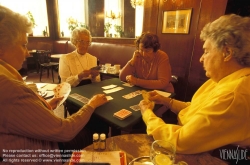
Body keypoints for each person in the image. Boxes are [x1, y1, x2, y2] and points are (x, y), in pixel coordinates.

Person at [0, 5, 108, 164]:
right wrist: (91, 104)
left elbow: (18, 117)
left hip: (31, 143)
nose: (28, 52)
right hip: (45, 154)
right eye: (24, 45)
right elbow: (65, 131)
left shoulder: (93, 58)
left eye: (87, 42)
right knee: (98, 126)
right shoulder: (8, 86)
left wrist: (46, 106)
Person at [139, 14, 250, 164]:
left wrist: (147, 114)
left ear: (227, 53)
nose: (201, 58)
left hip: (218, 156)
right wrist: (166, 101)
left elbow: (179, 141)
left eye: (206, 51)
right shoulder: (225, 79)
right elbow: (196, 109)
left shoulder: (233, 94)